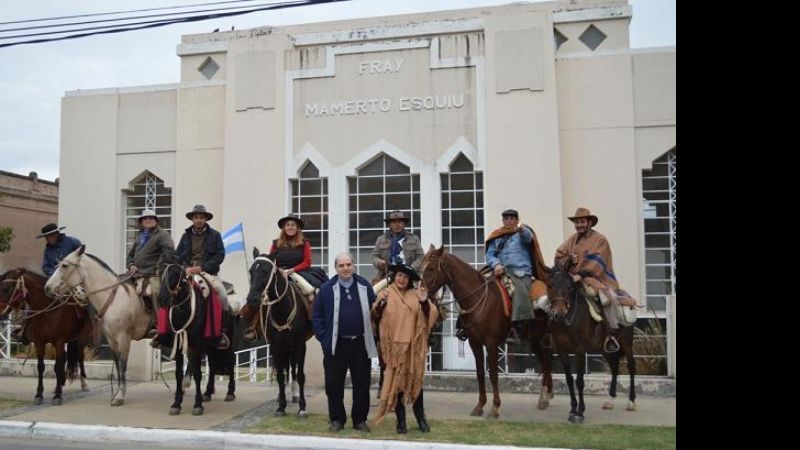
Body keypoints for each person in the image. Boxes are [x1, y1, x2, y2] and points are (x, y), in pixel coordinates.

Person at [311, 253, 378, 433]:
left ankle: (360, 420)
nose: (346, 268)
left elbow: (376, 312)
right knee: (333, 385)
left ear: (353, 266)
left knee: (362, 384)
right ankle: (337, 419)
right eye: (342, 265)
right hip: (335, 345)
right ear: (336, 268)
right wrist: (323, 339)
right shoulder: (326, 289)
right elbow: (316, 316)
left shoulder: (364, 286)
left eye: (349, 264)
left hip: (360, 344)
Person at [554, 207, 636, 353]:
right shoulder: (572, 239)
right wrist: (569, 260)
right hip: (572, 279)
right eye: (577, 222)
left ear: (589, 222)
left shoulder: (600, 240)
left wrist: (582, 274)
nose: (579, 225)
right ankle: (552, 334)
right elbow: (559, 256)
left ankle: (611, 335)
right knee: (555, 296)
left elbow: (598, 262)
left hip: (597, 279)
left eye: (582, 222)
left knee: (606, 299)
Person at [371, 264, 437, 434]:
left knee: (416, 384)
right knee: (398, 386)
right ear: (395, 276)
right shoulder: (386, 293)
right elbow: (375, 317)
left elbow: (430, 316)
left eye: (405, 277)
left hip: (413, 349)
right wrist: (380, 305)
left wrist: (424, 303)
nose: (401, 279)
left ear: (409, 280)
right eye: (399, 275)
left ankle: (421, 418)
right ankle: (401, 422)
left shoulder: (416, 295)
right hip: (394, 350)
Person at [240, 214, 328, 341]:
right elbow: (271, 260)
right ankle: (254, 326)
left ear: (297, 228)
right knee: (264, 294)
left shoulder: (304, 243)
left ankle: (314, 321)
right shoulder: (276, 243)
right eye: (288, 225)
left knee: (309, 290)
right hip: (279, 273)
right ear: (284, 228)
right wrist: (278, 271)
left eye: (293, 225)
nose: (290, 227)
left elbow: (307, 262)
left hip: (298, 271)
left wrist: (292, 270)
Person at [11, 223, 84, 344]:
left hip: (73, 279)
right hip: (55, 281)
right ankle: (25, 330)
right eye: (45, 237)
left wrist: (66, 273)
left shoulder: (73, 242)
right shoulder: (47, 249)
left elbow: (82, 259)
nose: (46, 239)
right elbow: (45, 267)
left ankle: (90, 327)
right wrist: (56, 275)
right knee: (35, 298)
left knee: (86, 299)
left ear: (55, 234)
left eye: (48, 236)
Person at [485, 209, 549, 345]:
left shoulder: (522, 232)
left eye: (512, 218)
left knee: (519, 291)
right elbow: (490, 254)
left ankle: (517, 329)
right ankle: (465, 325)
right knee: (478, 285)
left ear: (516, 219)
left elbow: (529, 238)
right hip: (501, 272)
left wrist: (521, 228)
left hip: (521, 273)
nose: (509, 221)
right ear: (503, 220)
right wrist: (496, 264)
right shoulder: (497, 235)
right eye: (506, 218)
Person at [172, 204, 230, 350]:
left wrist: (202, 267)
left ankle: (221, 331)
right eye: (196, 217)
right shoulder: (185, 236)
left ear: (205, 219)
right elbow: (177, 255)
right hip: (187, 272)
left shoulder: (215, 235)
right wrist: (186, 268)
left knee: (222, 295)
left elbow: (220, 255)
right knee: (170, 292)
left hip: (207, 273)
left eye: (201, 217)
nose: (198, 220)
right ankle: (167, 331)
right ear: (192, 219)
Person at [126, 209, 176, 343]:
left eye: (151, 218)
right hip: (135, 274)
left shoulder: (163, 235)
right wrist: (131, 265)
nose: (148, 220)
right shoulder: (140, 236)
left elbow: (169, 253)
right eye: (145, 218)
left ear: (156, 220)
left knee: (155, 293)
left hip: (154, 274)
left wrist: (158, 267)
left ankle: (160, 328)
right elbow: (130, 255)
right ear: (141, 222)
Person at [371, 211, 424, 284]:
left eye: (400, 222)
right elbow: (374, 257)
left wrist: (411, 268)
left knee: (421, 292)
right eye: (394, 222)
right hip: (387, 275)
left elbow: (421, 257)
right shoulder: (381, 239)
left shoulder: (414, 239)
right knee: (374, 291)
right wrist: (379, 262)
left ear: (404, 223)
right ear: (390, 224)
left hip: (410, 275)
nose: (397, 224)